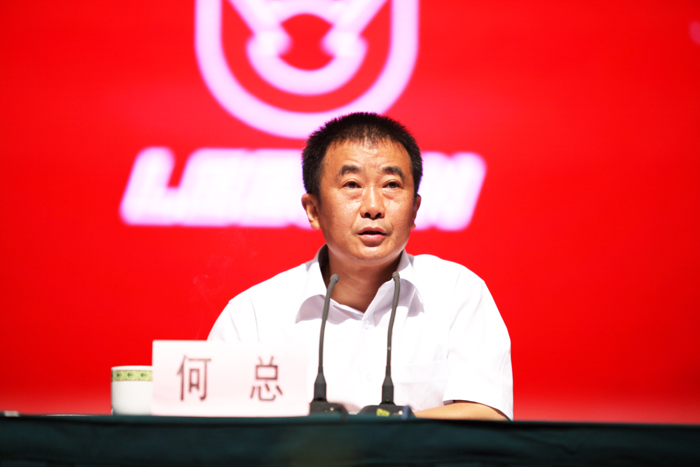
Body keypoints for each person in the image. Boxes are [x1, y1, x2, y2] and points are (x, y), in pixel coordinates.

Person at [208, 112, 512, 420]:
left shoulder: (457, 294)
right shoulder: (254, 317)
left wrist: (381, 430)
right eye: (352, 184)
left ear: (414, 209)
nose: (373, 207)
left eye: (391, 184)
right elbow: (217, 431)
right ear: (313, 210)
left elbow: (487, 415)